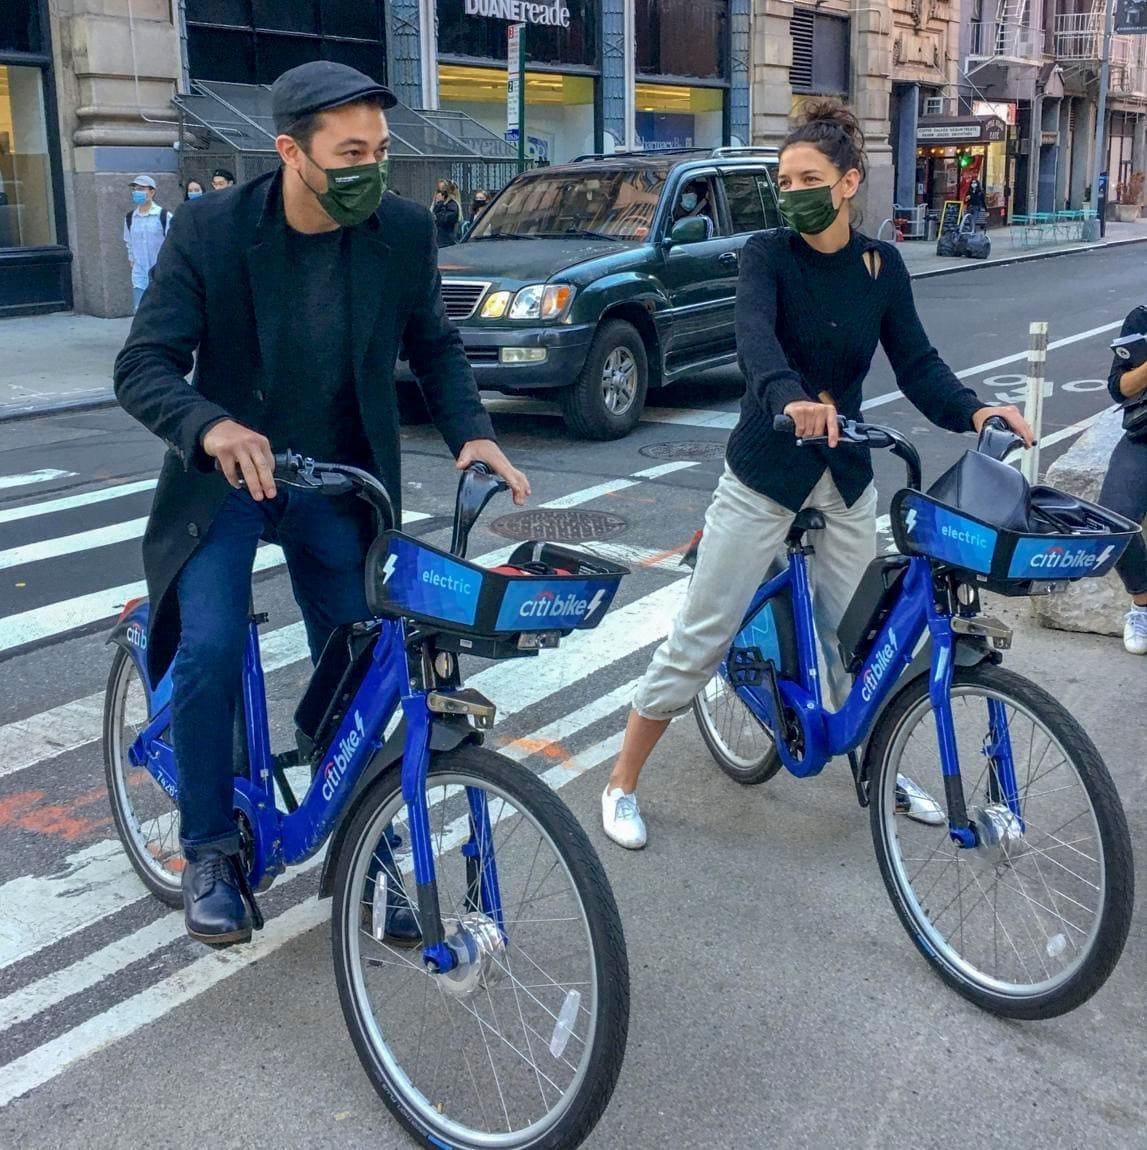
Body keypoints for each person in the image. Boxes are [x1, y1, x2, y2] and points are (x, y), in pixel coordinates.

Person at [114, 60, 530, 946]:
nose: (370, 169)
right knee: (214, 644)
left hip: (339, 479)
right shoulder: (211, 230)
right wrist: (209, 424)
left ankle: (364, 851)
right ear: (290, 152)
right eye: (350, 152)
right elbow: (142, 364)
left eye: (379, 150)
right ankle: (210, 851)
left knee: (361, 656)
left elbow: (436, 345)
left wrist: (473, 430)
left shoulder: (401, 231)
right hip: (225, 482)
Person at [599, 100, 1033, 849]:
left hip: (844, 472)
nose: (790, 189)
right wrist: (789, 399)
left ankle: (878, 760)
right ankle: (621, 782)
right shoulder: (767, 253)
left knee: (862, 642)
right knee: (700, 636)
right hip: (766, 468)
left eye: (807, 177)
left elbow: (918, 363)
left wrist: (974, 412)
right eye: (783, 178)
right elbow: (754, 345)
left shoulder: (879, 265)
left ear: (846, 183)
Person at [1098, 304, 1147, 654]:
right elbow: (1118, 389)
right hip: (1144, 435)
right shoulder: (1141, 319)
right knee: (1113, 519)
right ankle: (1142, 605)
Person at [123, 175, 171, 313]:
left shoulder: (164, 216)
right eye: (135, 189)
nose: (137, 192)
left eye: (141, 189)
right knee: (140, 312)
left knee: (162, 311)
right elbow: (129, 242)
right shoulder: (130, 218)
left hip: (161, 273)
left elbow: (173, 242)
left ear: (152, 192)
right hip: (139, 273)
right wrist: (132, 260)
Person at [432, 178, 462, 247]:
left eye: (442, 190)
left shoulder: (452, 205)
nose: (439, 193)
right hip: (437, 240)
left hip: (445, 241)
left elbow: (443, 220)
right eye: (438, 190)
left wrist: (440, 204)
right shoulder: (435, 205)